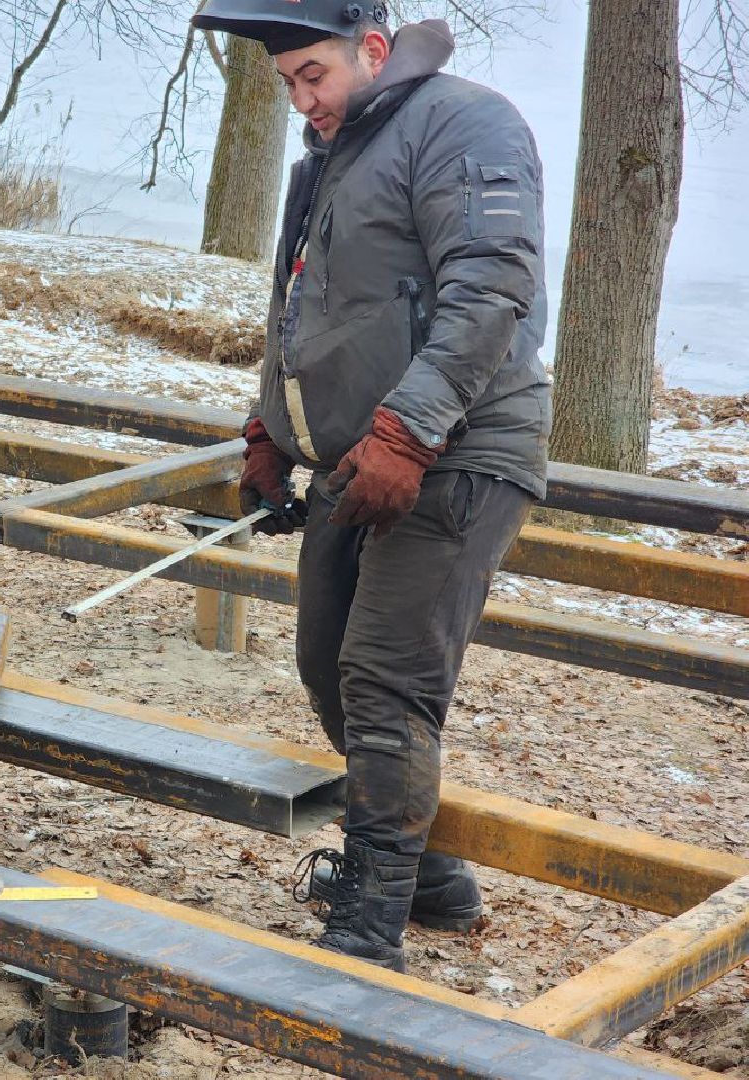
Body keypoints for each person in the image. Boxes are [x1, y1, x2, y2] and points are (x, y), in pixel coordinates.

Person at [191, 1, 551, 971]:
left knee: (387, 679)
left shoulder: (464, 123)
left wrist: (409, 427)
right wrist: (269, 426)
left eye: (314, 74)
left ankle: (368, 926)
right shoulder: (326, 160)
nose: (302, 100)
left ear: (374, 51)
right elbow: (299, 308)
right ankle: (434, 881)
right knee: (324, 658)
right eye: (288, 84)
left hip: (465, 443)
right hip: (365, 454)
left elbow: (493, 283)